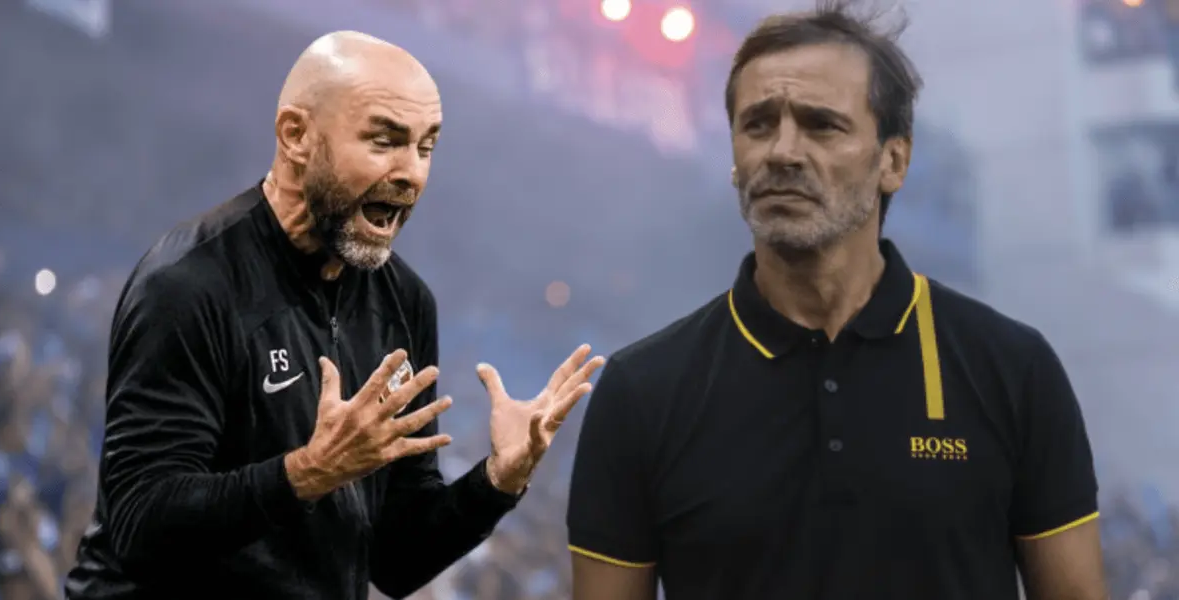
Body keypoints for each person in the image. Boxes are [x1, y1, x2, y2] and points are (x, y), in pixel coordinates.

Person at [566, 2, 1107, 599]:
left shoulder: (1012, 368)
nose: (782, 152)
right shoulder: (641, 390)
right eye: (758, 125)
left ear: (893, 161)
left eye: (821, 125)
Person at [65, 31, 603, 599]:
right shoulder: (190, 282)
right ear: (295, 136)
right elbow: (141, 524)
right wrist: (307, 472)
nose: (412, 173)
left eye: (425, 147)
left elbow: (396, 561)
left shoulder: (405, 304)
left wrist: (496, 481)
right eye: (384, 141)